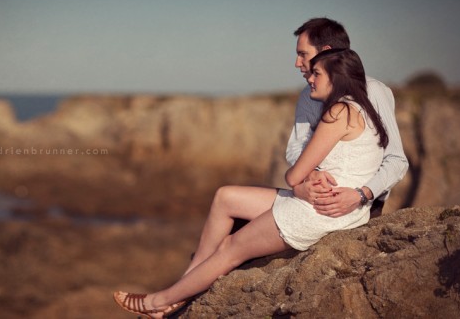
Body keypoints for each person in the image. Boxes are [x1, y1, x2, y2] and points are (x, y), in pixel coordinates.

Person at [114, 48, 389, 318]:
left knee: (230, 248)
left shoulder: (338, 112)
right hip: (331, 204)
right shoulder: (364, 109)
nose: (309, 78)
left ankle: (157, 303)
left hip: (317, 211)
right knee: (226, 197)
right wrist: (315, 176)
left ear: (336, 77)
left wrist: (306, 178)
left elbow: (293, 176)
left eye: (316, 73)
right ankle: (183, 287)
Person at [288, 18, 408, 217]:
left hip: (364, 205)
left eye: (303, 54)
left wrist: (362, 194)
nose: (296, 63)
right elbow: (296, 147)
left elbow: (396, 159)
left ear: (325, 50)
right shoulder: (306, 97)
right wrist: (310, 175)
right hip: (317, 201)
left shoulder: (374, 91)